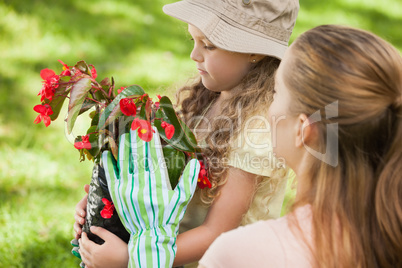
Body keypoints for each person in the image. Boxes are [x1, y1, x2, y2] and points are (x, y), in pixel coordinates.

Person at [74, 0, 299, 266]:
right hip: (175, 254)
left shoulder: (257, 128)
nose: (195, 54)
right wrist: (108, 204)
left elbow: (217, 232)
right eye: (194, 40)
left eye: (209, 45)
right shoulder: (207, 98)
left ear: (255, 52)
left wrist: (131, 258)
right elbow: (165, 178)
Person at [199, 24, 402, 268]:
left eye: (274, 92)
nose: (269, 107)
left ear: (303, 130)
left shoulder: (238, 254)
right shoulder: (388, 236)